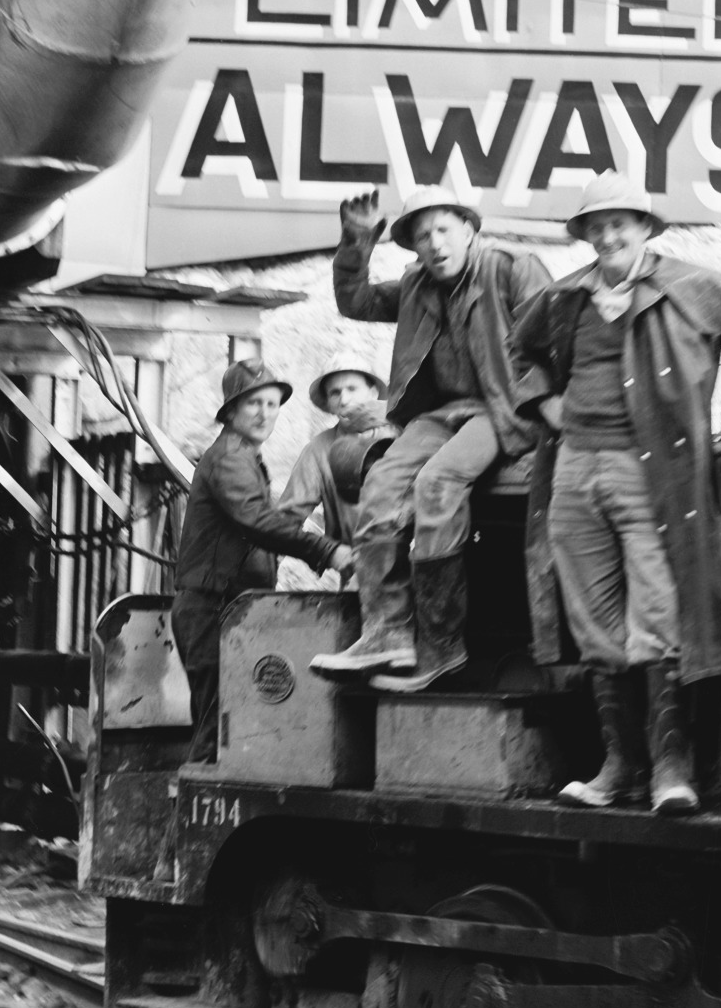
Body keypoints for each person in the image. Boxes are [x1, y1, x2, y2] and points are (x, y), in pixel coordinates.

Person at [512, 172, 721, 815]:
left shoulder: (689, 287)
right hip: (573, 471)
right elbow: (521, 354)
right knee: (594, 621)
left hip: (651, 473)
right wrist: (547, 402)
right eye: (597, 225)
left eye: (622, 222)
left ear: (646, 228)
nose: (609, 234)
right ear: (586, 235)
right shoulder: (565, 297)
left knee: (658, 615)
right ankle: (618, 765)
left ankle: (671, 768)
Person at [310, 184, 552, 693]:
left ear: (468, 229)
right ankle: (388, 632)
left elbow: (555, 336)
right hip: (442, 414)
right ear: (414, 247)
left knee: (438, 484)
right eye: (423, 236)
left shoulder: (513, 266)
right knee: (379, 488)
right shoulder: (417, 284)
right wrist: (358, 240)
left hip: (504, 409)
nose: (435, 243)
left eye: (444, 229)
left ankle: (441, 644)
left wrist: (550, 406)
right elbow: (355, 301)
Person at [176, 360, 354, 762]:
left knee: (230, 728)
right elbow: (258, 520)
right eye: (254, 402)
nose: (264, 414)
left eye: (273, 404)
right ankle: (189, 815)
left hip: (231, 609)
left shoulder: (246, 457)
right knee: (215, 733)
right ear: (231, 410)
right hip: (212, 609)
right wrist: (326, 549)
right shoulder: (229, 459)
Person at [280, 350, 396, 549]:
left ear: (373, 392)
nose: (344, 400)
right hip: (357, 567)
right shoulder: (319, 450)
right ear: (328, 403)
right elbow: (287, 518)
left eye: (352, 389)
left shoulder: (403, 433)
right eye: (335, 393)